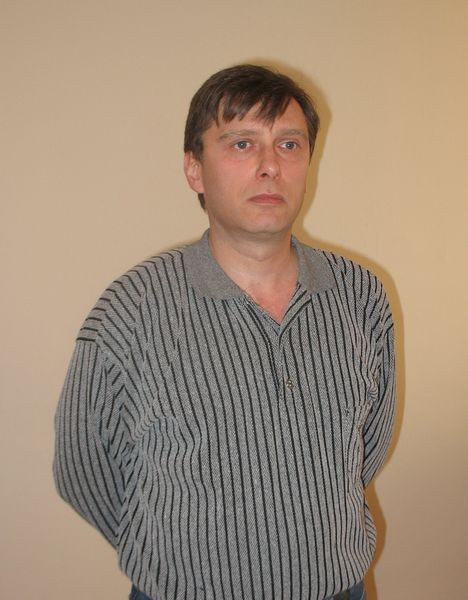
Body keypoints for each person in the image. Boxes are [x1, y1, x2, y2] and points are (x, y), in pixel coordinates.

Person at [54, 64, 395, 600]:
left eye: (289, 145)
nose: (269, 166)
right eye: (241, 144)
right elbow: (84, 467)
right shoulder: (132, 308)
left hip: (336, 588)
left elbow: (365, 446)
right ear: (194, 169)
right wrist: (179, 559)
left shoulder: (361, 295)